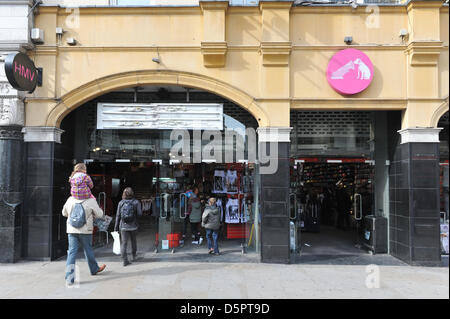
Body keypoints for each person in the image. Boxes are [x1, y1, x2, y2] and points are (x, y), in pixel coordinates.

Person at [62, 190, 106, 286]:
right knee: (88, 250)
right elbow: (99, 214)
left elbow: (64, 213)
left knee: (72, 252)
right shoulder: (91, 200)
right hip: (85, 230)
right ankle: (94, 269)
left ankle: (69, 278)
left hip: (72, 230)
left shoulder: (70, 199)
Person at [114, 187, 142, 266]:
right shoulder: (136, 202)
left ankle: (125, 260)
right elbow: (140, 214)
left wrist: (115, 228)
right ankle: (134, 256)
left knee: (124, 243)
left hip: (123, 226)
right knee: (134, 241)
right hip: (133, 225)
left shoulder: (121, 203)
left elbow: (118, 216)